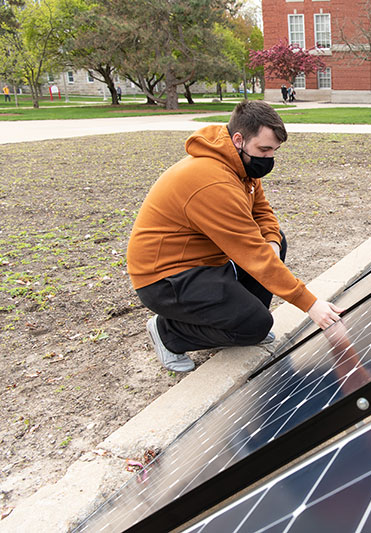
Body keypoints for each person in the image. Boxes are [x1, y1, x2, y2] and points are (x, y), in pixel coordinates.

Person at [127, 100, 342, 372]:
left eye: (274, 151)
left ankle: (239, 323)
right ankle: (168, 333)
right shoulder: (213, 181)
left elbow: (262, 213)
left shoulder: (241, 166)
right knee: (257, 325)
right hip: (167, 279)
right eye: (264, 149)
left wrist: (273, 244)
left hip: (206, 265)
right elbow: (251, 252)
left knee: (275, 242)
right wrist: (310, 305)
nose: (269, 158)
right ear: (239, 139)